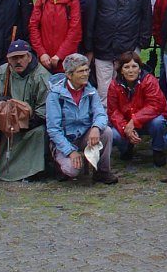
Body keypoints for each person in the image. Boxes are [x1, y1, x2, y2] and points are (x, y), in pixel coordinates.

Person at [0, 39, 51, 185]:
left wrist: (22, 121)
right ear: (8, 59)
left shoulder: (41, 76)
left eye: (21, 57)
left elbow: (46, 109)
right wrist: (5, 103)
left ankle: (31, 171)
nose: (18, 61)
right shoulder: (1, 73)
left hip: (31, 124)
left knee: (40, 131)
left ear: (29, 57)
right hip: (4, 121)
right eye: (14, 58)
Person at [84, 0, 152, 106]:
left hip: (129, 50)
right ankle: (105, 122)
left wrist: (141, 43)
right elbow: (90, 16)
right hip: (103, 49)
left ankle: (127, 121)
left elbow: (146, 16)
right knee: (104, 93)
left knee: (128, 92)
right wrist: (89, 46)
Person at [46, 53, 118, 184]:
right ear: (69, 75)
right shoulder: (55, 95)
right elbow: (53, 129)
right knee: (72, 170)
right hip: (65, 138)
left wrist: (96, 128)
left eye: (87, 70)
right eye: (80, 71)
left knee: (106, 132)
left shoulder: (90, 90)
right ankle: (58, 163)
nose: (85, 74)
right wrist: (70, 151)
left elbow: (101, 114)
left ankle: (102, 171)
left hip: (84, 134)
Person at [106, 51, 167, 166]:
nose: (131, 70)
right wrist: (125, 128)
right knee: (113, 134)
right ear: (121, 70)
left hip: (148, 121)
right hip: (126, 122)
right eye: (126, 67)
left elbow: (155, 105)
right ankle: (126, 148)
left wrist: (135, 120)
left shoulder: (149, 80)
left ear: (139, 69)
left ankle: (158, 150)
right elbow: (113, 112)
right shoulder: (114, 85)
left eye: (134, 66)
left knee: (158, 122)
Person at [29, 0, 83, 73]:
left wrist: (60, 55)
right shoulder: (42, 0)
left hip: (66, 60)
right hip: (44, 60)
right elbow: (33, 26)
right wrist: (41, 53)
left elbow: (75, 31)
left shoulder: (72, 2)